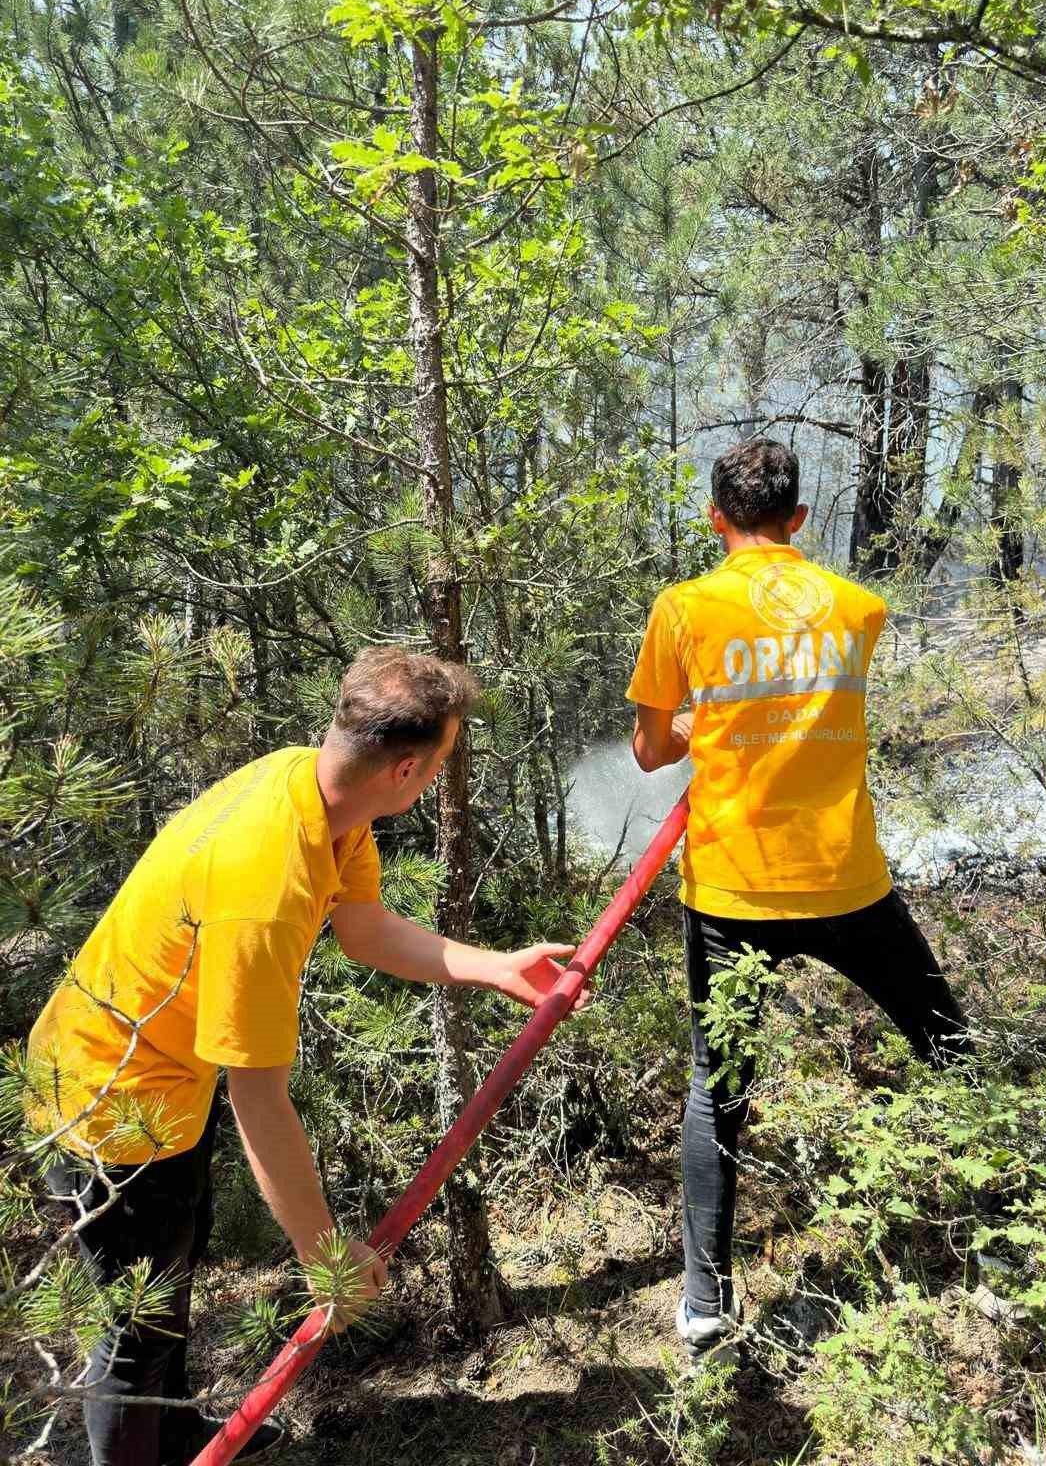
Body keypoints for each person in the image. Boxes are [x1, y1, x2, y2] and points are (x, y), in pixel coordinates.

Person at [26, 648, 580, 1465]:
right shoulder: (266, 885)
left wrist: (494, 967)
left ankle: (175, 1436)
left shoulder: (317, 793)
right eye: (440, 762)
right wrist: (326, 1260)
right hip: (107, 1094)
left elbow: (364, 929)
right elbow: (259, 1099)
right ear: (404, 769)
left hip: (164, 1079)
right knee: (135, 1328)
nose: (438, 776)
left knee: (175, 1264)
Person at [626, 438, 970, 1363]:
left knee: (718, 1091)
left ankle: (705, 1307)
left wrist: (700, 719)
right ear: (801, 520)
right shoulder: (859, 607)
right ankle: (1005, 1211)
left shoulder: (684, 608)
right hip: (848, 879)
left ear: (715, 519)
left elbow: (651, 752)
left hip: (734, 888)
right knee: (947, 1039)